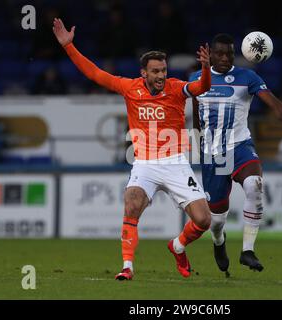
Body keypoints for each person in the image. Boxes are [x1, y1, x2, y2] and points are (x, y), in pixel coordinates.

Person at [53, 18, 212, 280]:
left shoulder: (176, 88)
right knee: (131, 203)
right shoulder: (130, 88)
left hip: (175, 161)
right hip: (144, 163)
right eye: (156, 71)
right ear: (144, 73)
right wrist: (69, 47)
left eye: (163, 70)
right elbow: (94, 74)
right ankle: (127, 266)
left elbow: (201, 87)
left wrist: (205, 68)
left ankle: (178, 245)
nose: (161, 75)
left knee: (203, 220)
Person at [190, 34, 282, 275]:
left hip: (240, 146)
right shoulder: (196, 79)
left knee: (254, 184)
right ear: (210, 54)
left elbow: (272, 102)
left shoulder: (247, 77)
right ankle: (219, 242)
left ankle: (247, 251)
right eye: (220, 53)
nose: (225, 58)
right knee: (217, 219)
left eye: (229, 54)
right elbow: (196, 116)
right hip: (213, 154)